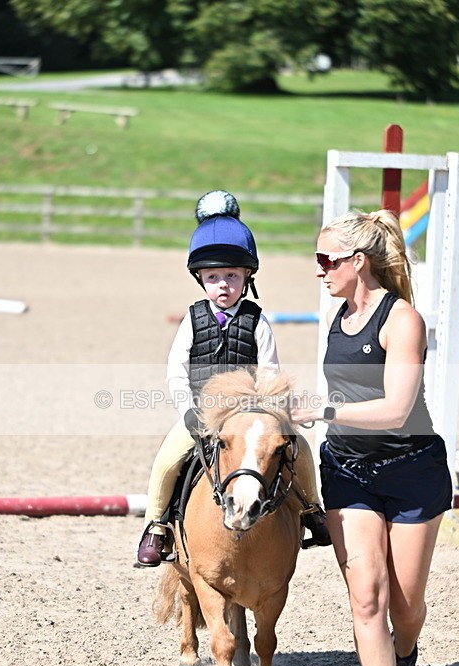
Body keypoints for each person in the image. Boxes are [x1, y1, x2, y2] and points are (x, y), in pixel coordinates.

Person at [291, 209, 453, 666]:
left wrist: (325, 411)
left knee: (404, 608)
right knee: (367, 598)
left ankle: (405, 655)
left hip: (412, 471)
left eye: (325, 260)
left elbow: (397, 409)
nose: (318, 270)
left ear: (357, 262)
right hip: (349, 473)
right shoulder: (337, 315)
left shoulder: (402, 319)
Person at [136, 190, 330, 568]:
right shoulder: (192, 321)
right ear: (200, 279)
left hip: (250, 414)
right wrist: (188, 411)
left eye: (231, 276)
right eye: (213, 277)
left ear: (247, 277)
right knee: (167, 459)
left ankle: (311, 511)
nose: (223, 284)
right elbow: (176, 369)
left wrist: (271, 414)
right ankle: (156, 526)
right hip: (203, 413)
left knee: (301, 449)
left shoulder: (258, 321)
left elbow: (270, 371)